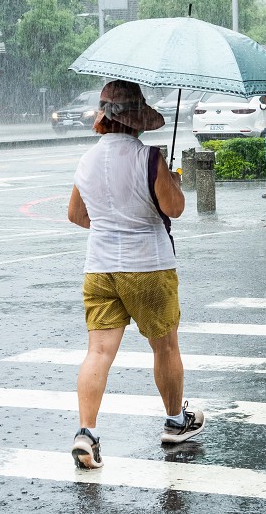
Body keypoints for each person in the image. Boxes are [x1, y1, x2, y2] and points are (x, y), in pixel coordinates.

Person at [66, 79, 204, 470]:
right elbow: (174, 209)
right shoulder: (150, 158)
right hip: (148, 267)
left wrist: (112, 221)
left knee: (98, 352)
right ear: (137, 118)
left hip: (100, 268)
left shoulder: (87, 160)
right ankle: (177, 422)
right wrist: (173, 182)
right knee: (165, 347)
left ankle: (86, 433)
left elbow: (77, 216)